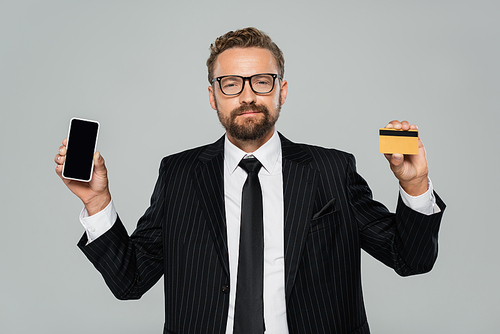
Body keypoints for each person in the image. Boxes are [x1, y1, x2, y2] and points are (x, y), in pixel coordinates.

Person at [55, 27, 445, 334]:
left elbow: (411, 259)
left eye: (261, 81)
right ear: (213, 96)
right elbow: (130, 282)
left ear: (282, 91)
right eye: (231, 84)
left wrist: (415, 185)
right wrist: (96, 203)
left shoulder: (332, 170)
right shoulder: (179, 175)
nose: (247, 96)